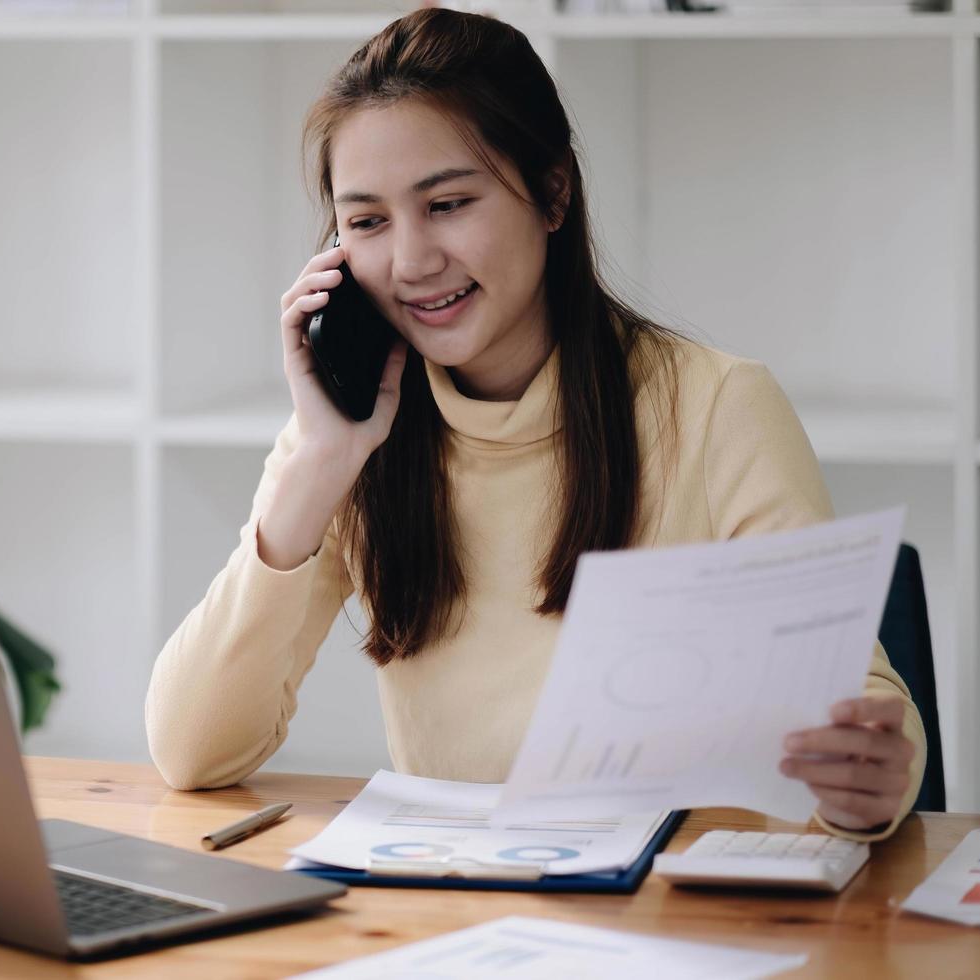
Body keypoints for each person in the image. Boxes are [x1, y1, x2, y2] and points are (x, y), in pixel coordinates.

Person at [144, 8, 924, 840]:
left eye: (446, 203)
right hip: (458, 917)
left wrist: (872, 778)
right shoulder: (349, 436)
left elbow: (862, 707)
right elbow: (192, 751)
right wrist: (317, 467)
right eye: (366, 221)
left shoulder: (715, 405)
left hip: (673, 919)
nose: (409, 261)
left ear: (552, 193)